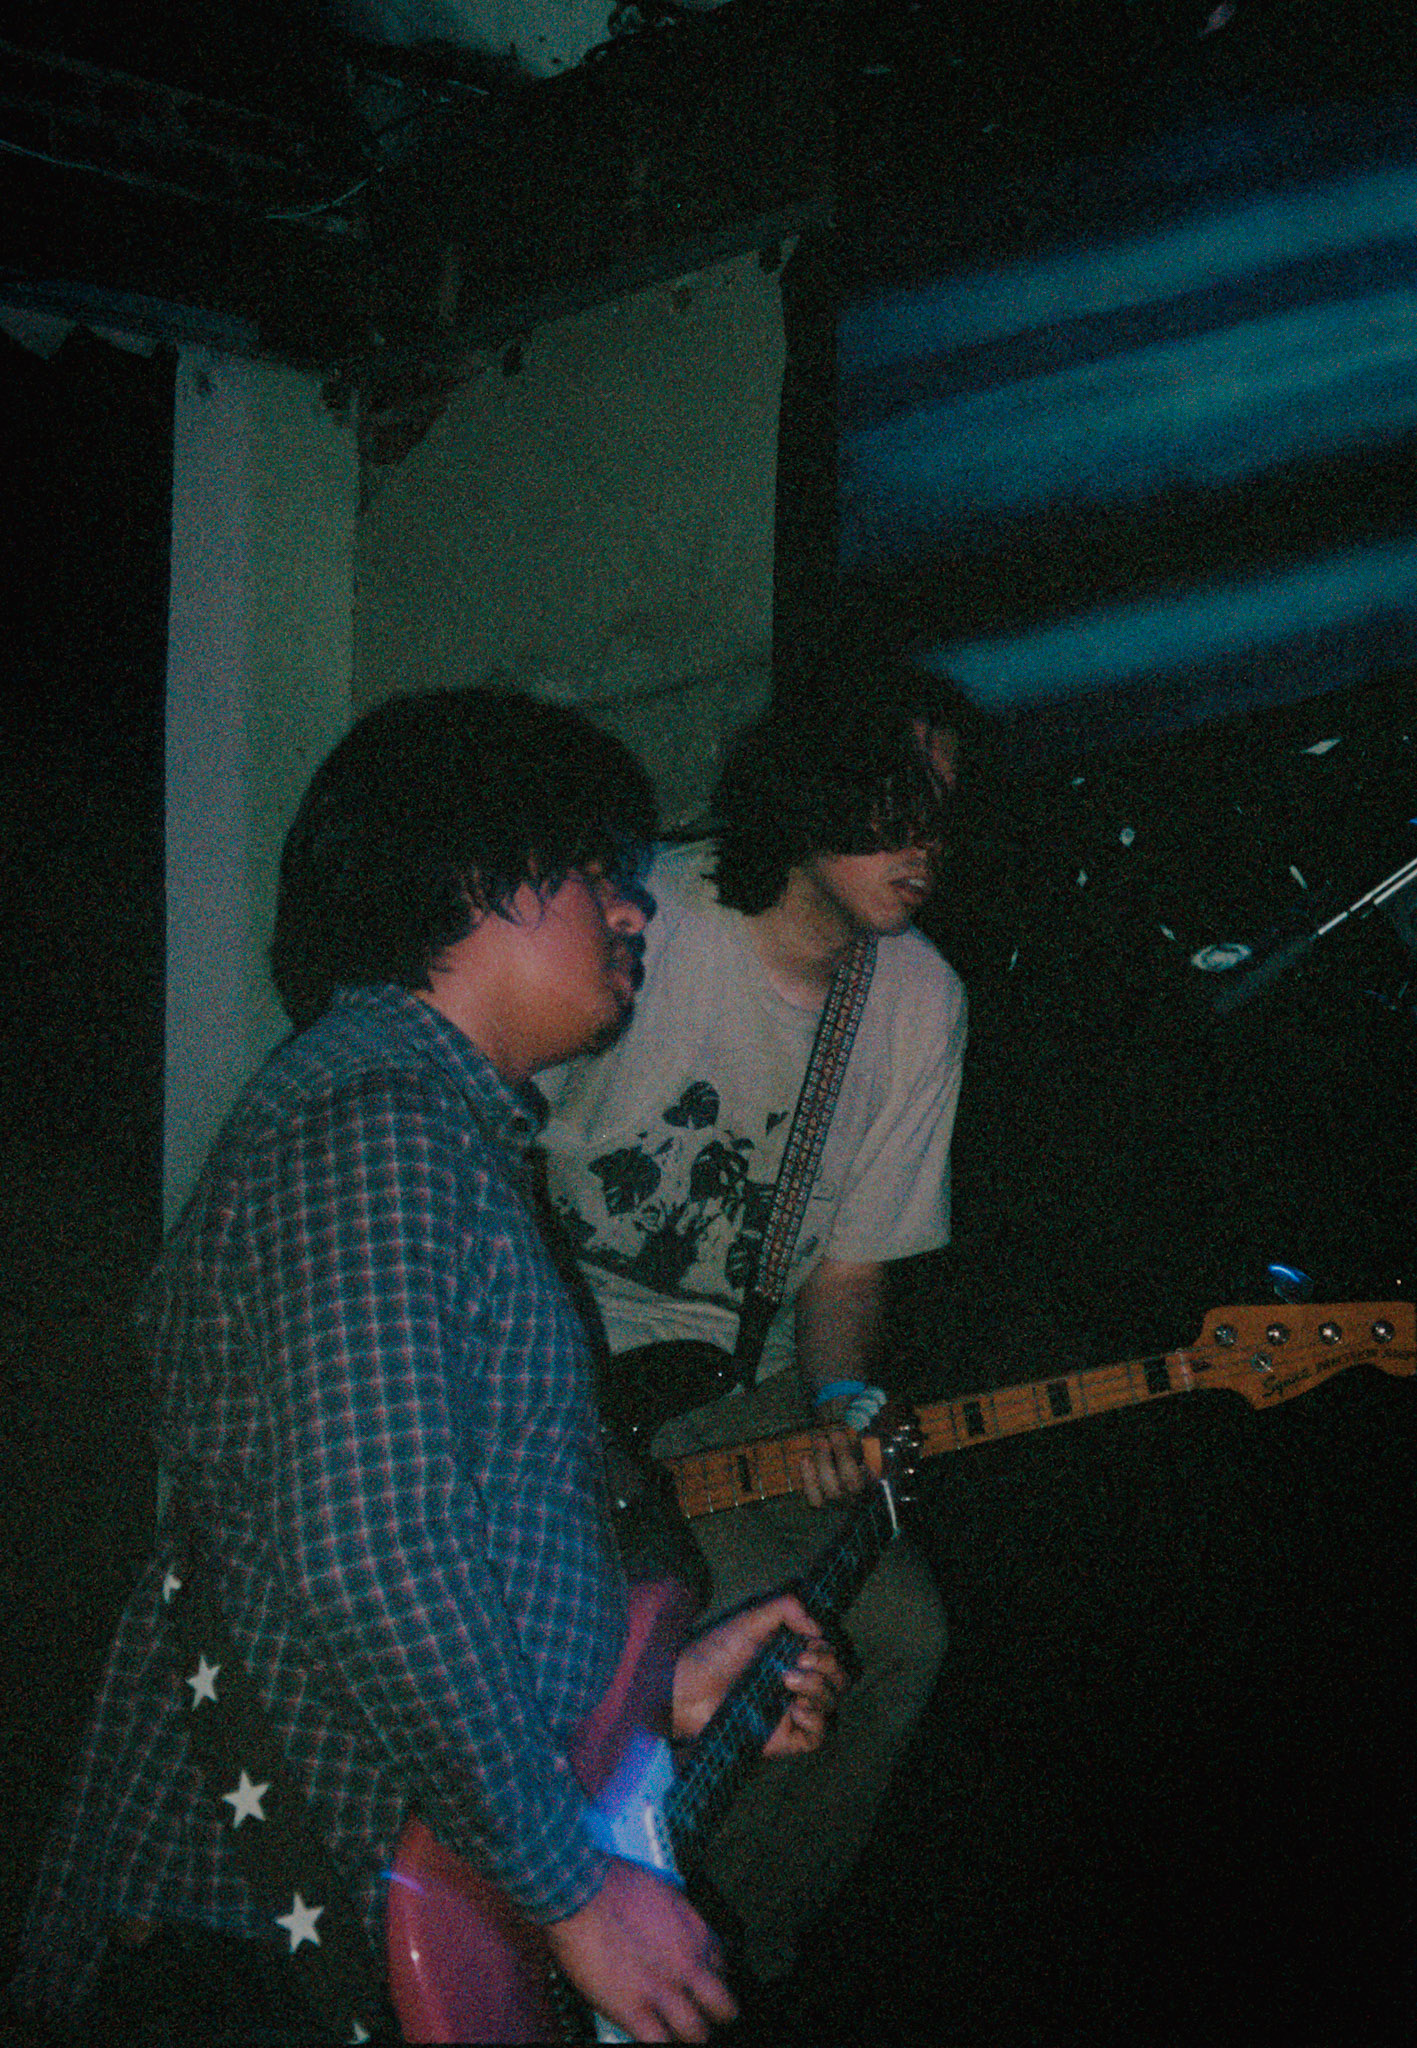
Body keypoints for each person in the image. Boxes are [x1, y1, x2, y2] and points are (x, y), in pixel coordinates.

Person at [8, 686, 844, 2047]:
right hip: (274, 1924)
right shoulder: (379, 1128)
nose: (633, 913)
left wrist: (655, 1692)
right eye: (599, 874)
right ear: (474, 880)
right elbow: (376, 1546)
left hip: (362, 1890)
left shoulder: (428, 1134)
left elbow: (466, 1543)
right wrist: (575, 1888)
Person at [536, 660, 971, 1989]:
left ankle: (734, 1949)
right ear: (803, 794)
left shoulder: (916, 1001)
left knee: (901, 1637)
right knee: (709, 1634)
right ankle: (579, 1929)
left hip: (742, 1380)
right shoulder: (650, 916)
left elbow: (849, 1269)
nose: (924, 847)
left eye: (944, 814)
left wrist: (838, 1403)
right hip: (565, 1358)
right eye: (893, 805)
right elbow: (495, 1136)